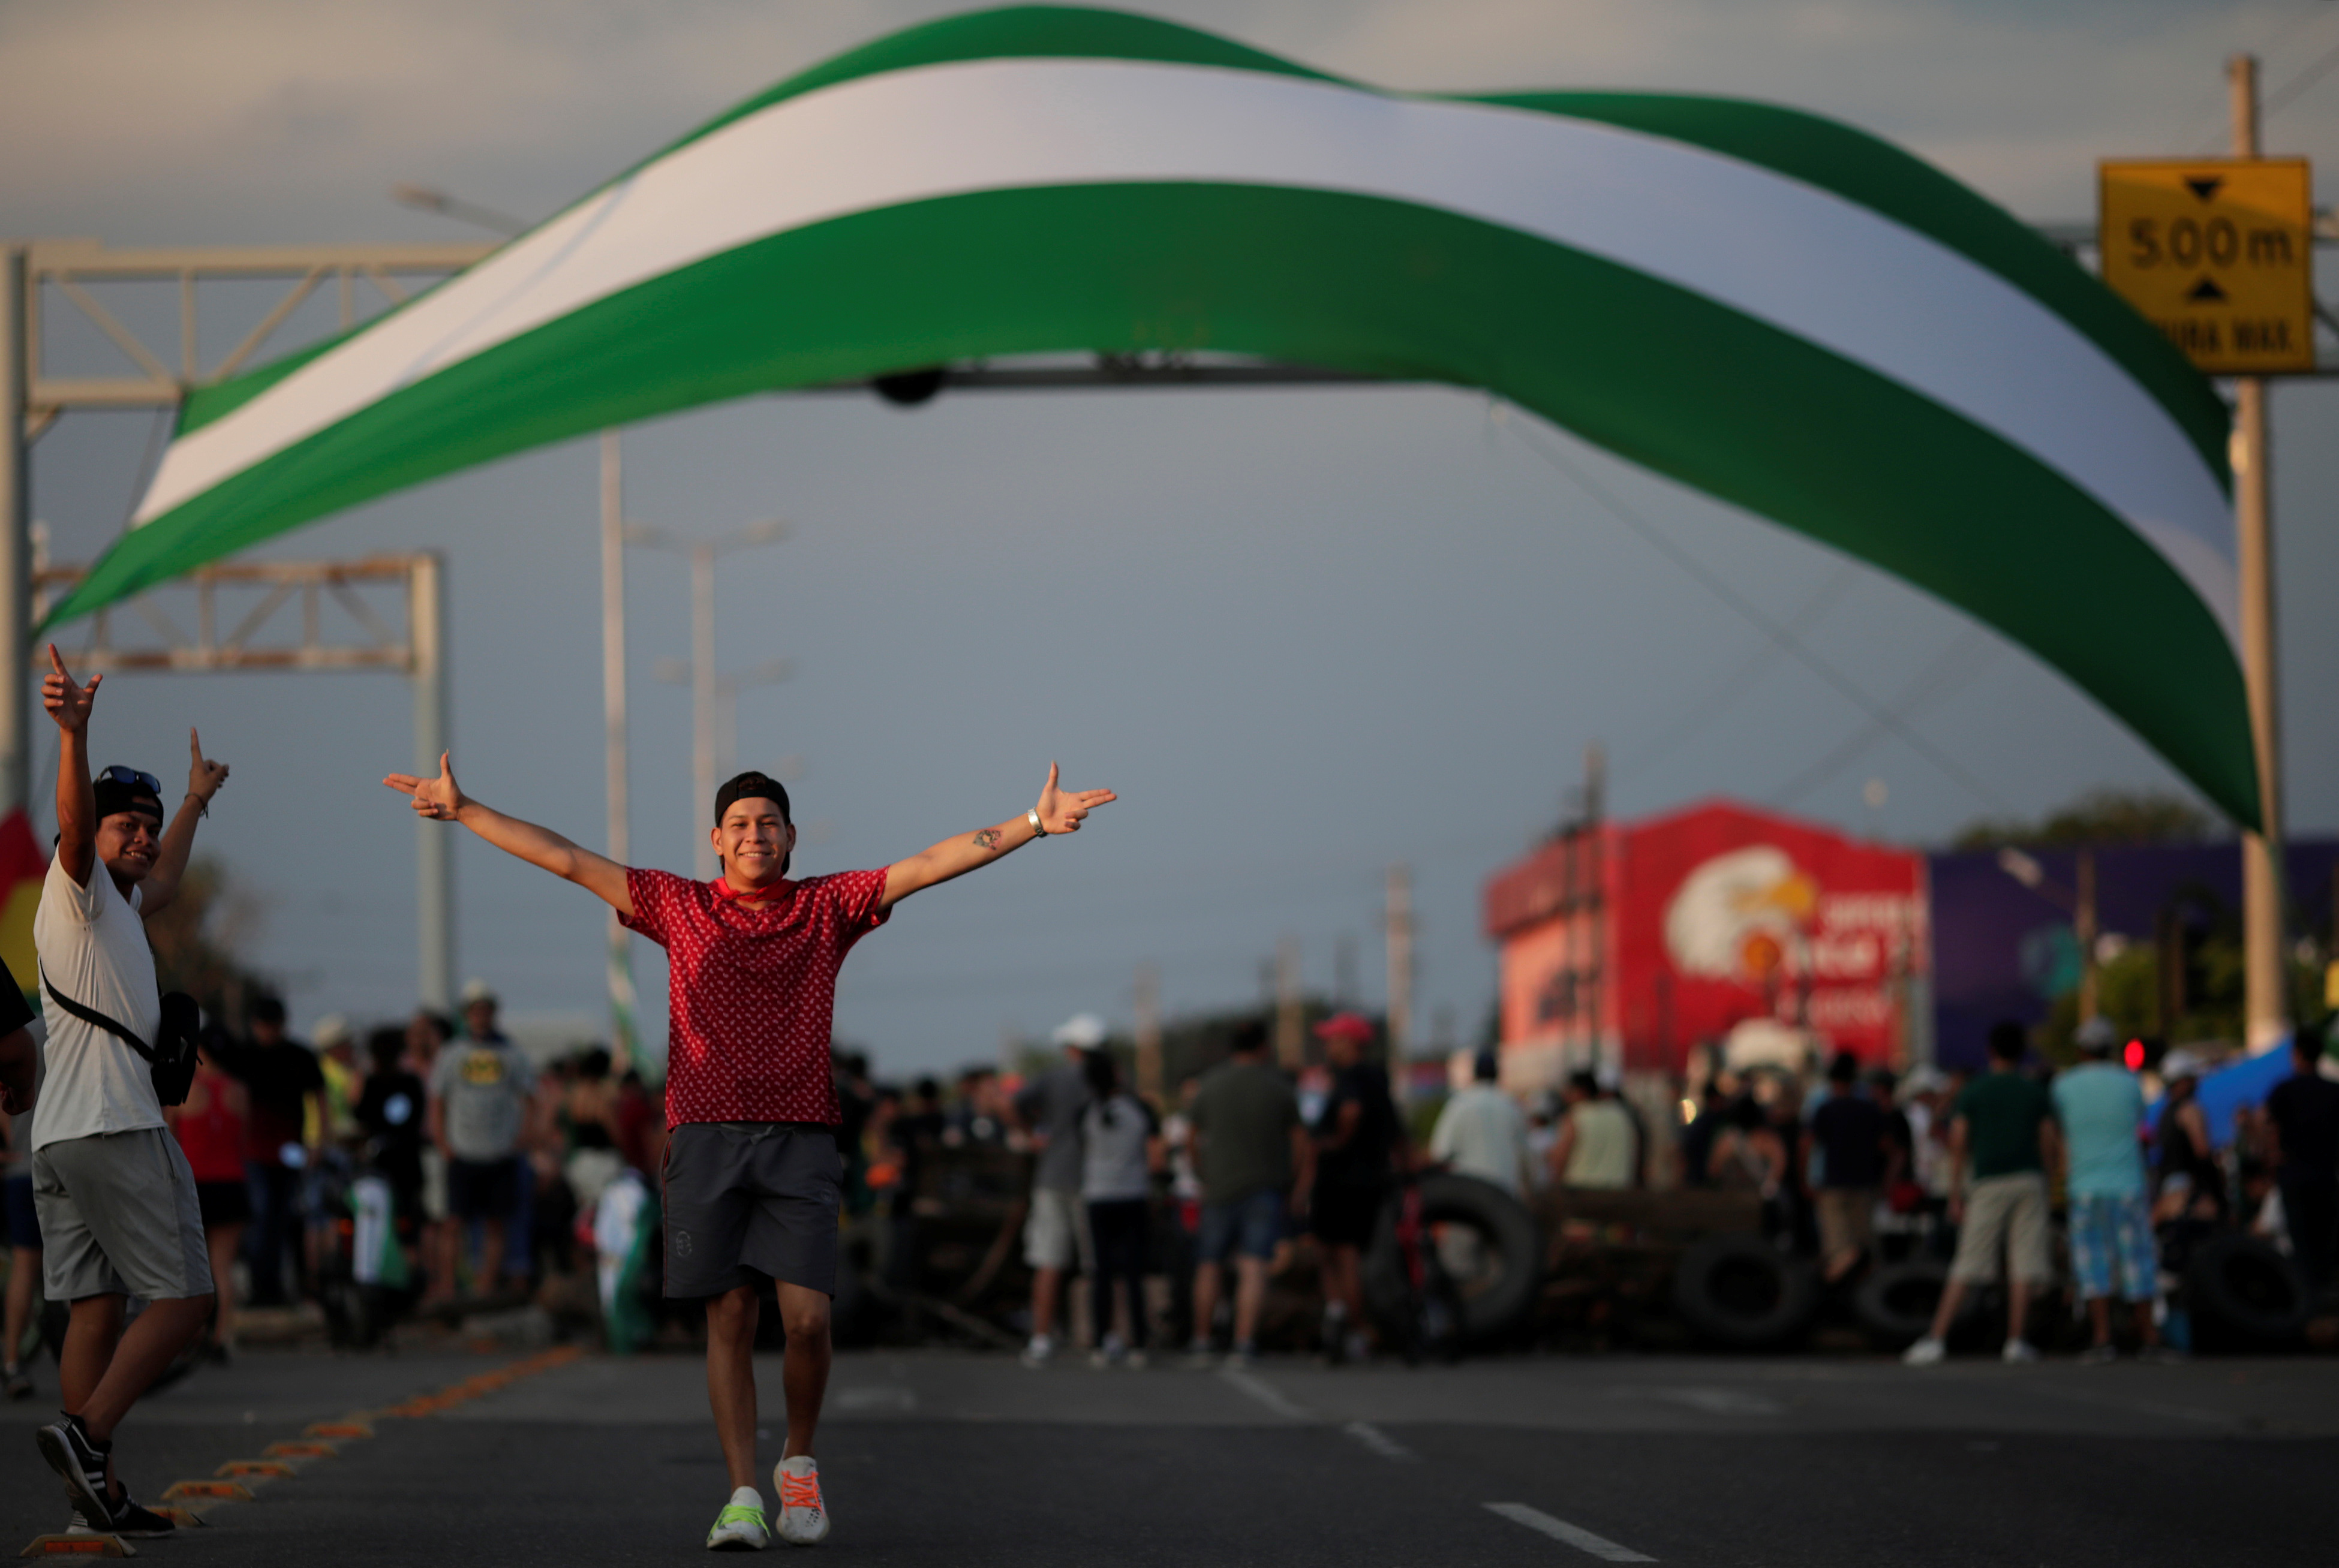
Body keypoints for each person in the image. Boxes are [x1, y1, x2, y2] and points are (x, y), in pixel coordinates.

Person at [385, 752, 1114, 1550]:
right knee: (729, 1313)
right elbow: (566, 858)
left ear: (791, 836)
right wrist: (466, 810)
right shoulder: (678, 904)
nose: (755, 833)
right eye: (740, 824)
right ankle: (740, 1491)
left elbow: (933, 862)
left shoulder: (828, 905)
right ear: (717, 841)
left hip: (799, 1140)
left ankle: (797, 1462)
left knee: (806, 1320)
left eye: (769, 822)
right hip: (704, 1138)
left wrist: (1035, 822)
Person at [30, 648, 229, 1537]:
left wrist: (193, 799)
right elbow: (75, 826)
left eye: (148, 823)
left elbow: (173, 875)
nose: (141, 836)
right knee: (188, 1298)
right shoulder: (77, 888)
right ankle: (87, 1431)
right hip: (116, 1125)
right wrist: (75, 735)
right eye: (129, 824)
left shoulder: (117, 905)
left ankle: (94, 1496)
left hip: (61, 1138)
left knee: (97, 1307)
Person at [1903, 1021, 2060, 1367]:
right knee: (2025, 1263)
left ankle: (1936, 1337)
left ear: (1991, 1052)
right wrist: (2049, 1178)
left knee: (1968, 1261)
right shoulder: (2033, 1090)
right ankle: (2017, 1340)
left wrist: (1956, 1191)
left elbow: (1959, 1142)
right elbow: (2049, 1138)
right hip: (2029, 1179)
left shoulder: (1975, 1091)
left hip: (1988, 1181)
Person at [1186, 1021, 1309, 1367]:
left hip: (1219, 1188)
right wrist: (1295, 1185)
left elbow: (1191, 1138)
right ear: (1263, 1047)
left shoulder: (1209, 1086)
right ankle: (1243, 1343)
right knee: (1254, 1266)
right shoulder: (1278, 1087)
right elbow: (1301, 1143)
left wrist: (1202, 1173)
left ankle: (1202, 1340)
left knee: (1208, 1265)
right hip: (1265, 1188)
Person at [2052, 1018, 2161, 1362]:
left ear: (2081, 1049)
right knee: (2138, 1263)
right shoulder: (2131, 1083)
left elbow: (2060, 1134)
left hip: (2084, 1186)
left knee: (2093, 1265)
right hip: (2128, 1183)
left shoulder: (2064, 1085)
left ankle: (2103, 1339)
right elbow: (2140, 1127)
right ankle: (2148, 1339)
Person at [1303, 1012, 1403, 1365]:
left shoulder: (1351, 1078)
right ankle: (1347, 1323)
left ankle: (1349, 1325)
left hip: (1342, 1179)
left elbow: (1351, 1112)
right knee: (1345, 1254)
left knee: (1339, 1255)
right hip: (1371, 1178)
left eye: (1333, 1039)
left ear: (1349, 1042)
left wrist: (1334, 1144)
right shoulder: (1378, 1077)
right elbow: (1395, 1129)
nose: (1328, 1045)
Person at [426, 983, 536, 1301]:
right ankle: (448, 1286)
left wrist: (522, 1137)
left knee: (495, 1224)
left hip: (499, 1152)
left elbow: (530, 1099)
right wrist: (442, 1141)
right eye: (475, 1011)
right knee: (453, 1222)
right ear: (467, 1015)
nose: (481, 1017)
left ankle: (484, 1286)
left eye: (486, 1010)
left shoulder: (512, 1053)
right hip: (461, 1150)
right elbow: (437, 1101)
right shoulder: (451, 1054)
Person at [220, 994, 323, 1308]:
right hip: (253, 1153)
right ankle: (261, 1286)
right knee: (261, 1219)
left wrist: (318, 1142)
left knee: (286, 1219)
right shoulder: (243, 1056)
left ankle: (279, 1286)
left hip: (290, 1150)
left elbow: (319, 1100)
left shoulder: (299, 1057)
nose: (269, 1032)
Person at [1015, 1016, 1102, 1367]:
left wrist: (1033, 1133)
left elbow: (1018, 1102)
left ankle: (1041, 1337)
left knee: (1048, 1261)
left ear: (1071, 1048)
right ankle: (1101, 1336)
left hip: (1052, 1176)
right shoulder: (1105, 1079)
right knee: (1096, 1265)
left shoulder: (1053, 1078)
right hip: (1095, 1180)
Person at [166, 1036, 249, 1361]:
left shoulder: (184, 1089)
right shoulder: (239, 1091)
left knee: (190, 1266)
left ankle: (193, 1333)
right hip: (231, 1183)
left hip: (195, 1185)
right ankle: (222, 1335)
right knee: (223, 1267)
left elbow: (170, 1138)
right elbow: (243, 1139)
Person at [1079, 1049, 1161, 1367]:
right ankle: (1138, 1340)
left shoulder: (1087, 1110)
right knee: (1133, 1271)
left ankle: (1102, 1340)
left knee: (1101, 1272)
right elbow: (1155, 1154)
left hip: (1098, 1194)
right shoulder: (1139, 1108)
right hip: (1133, 1193)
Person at [2263, 1027, 2339, 1294]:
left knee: (2301, 1241)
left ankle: (2308, 1299)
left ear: (2296, 1054)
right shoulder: (2333, 1091)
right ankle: (2325, 1293)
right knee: (2325, 1241)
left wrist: (2273, 1161)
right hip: (2326, 1176)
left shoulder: (2284, 1090)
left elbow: (2271, 1131)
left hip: (2294, 1176)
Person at [1805, 1051, 1888, 1286]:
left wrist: (1807, 1179)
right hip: (1864, 1183)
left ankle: (1830, 1289)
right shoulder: (1869, 1108)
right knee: (1866, 1243)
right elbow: (1887, 1147)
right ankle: (1872, 1291)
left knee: (1838, 1247)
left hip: (1833, 1183)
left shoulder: (1825, 1109)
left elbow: (1809, 1146)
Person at [354, 1027, 429, 1270]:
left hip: (381, 1166)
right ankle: (410, 1271)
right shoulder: (411, 1083)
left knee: (380, 1222)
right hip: (407, 1163)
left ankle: (385, 1271)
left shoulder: (372, 1083)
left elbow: (360, 1118)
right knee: (409, 1224)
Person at [1429, 1051, 1532, 1197]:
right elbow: (1527, 1158)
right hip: (1504, 1195)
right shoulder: (1511, 1105)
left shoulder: (1459, 1104)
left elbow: (1439, 1153)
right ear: (1497, 1074)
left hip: (1470, 1199)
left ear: (1474, 1075)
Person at [3, 1089, 44, 1402]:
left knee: (24, 1265)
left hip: (18, 1167)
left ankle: (13, 1361)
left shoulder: (17, 1039)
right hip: (44, 1166)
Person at [1550, 1070, 1636, 1190]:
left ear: (1580, 1091)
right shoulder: (1620, 1114)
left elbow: (1560, 1157)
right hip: (1618, 1190)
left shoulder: (1576, 1116)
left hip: (1581, 1191)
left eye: (1569, 1091)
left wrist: (1555, 1184)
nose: (1565, 1096)